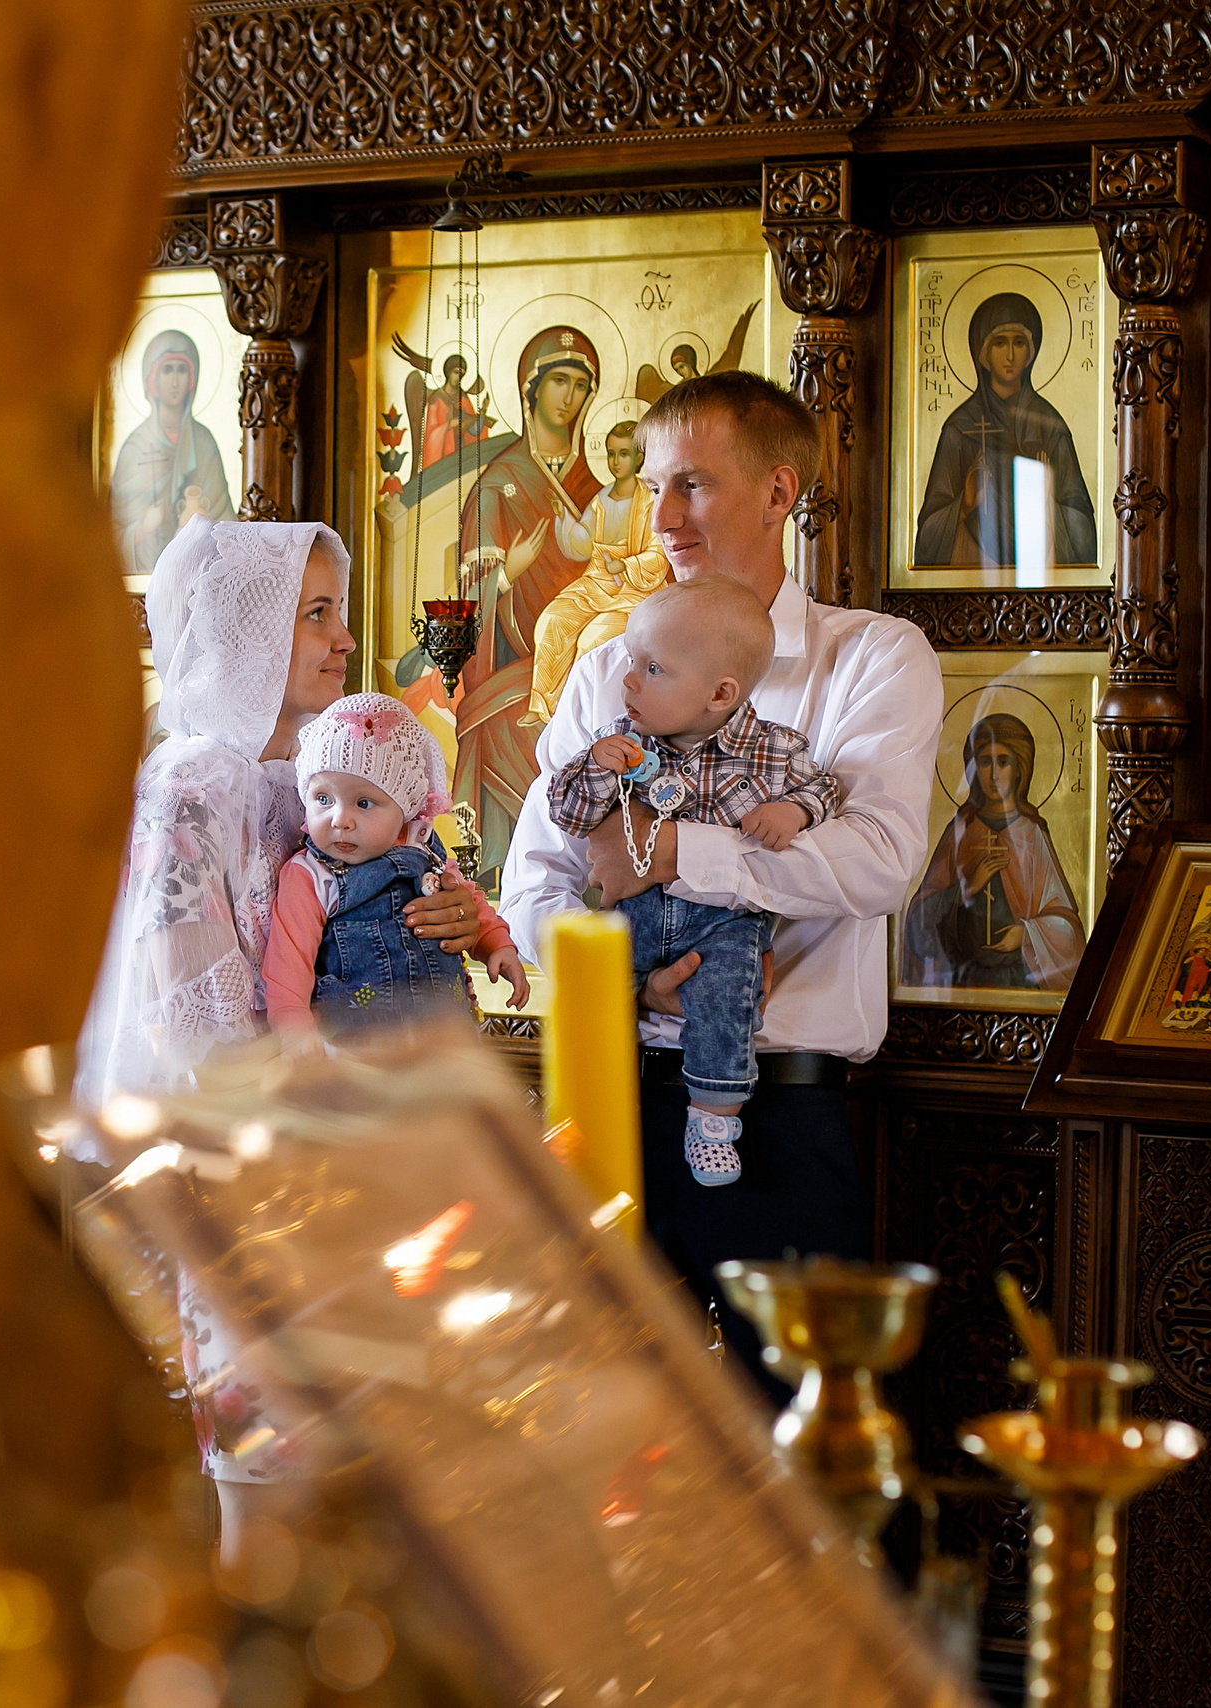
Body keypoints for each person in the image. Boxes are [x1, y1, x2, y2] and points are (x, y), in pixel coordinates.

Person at [500, 371, 943, 1336]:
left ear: (780, 493)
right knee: (597, 1440)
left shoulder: (872, 657)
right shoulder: (604, 670)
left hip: (784, 1119)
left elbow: (875, 860)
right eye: (652, 485)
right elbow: (535, 880)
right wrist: (630, 977)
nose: (659, 516)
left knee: (785, 1445)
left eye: (691, 485)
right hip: (606, 1103)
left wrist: (665, 855)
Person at [76, 520, 484, 1556]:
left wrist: (442, 914)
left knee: (359, 1510)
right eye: (313, 615)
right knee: (266, 1505)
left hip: (344, 1173)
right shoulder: (192, 785)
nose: (344, 640)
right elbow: (193, 1014)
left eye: (337, 612)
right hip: (255, 1191)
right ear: (237, 630)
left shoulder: (307, 783)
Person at [543, 580, 842, 1186]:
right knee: (594, 995)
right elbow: (568, 816)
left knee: (727, 1000)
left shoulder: (775, 751)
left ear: (720, 693)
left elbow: (824, 790)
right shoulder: (621, 743)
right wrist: (598, 768)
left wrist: (794, 813)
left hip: (722, 921)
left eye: (652, 669)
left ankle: (714, 1117)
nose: (628, 681)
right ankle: (579, 1116)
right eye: (631, 663)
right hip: (635, 912)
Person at [264, 693, 531, 1041]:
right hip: (358, 1052)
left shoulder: (424, 851)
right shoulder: (312, 874)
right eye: (323, 799)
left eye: (364, 803)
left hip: (444, 1040)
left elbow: (468, 900)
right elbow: (289, 961)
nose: (340, 820)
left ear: (404, 808)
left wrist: (498, 945)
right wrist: (293, 1029)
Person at [451, 325, 603, 878]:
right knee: (507, 718)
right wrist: (506, 576)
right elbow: (467, 606)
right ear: (530, 389)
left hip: (594, 660)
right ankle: (504, 878)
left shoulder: (604, 489)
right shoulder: (498, 486)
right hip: (517, 665)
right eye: (558, 380)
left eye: (581, 385)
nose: (568, 396)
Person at [898, 711, 1085, 993]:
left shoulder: (1031, 835)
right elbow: (917, 922)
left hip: (1021, 979)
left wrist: (1025, 935)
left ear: (1020, 768)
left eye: (1003, 762)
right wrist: (966, 888)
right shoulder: (961, 831)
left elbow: (1068, 930)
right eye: (985, 762)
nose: (994, 774)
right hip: (961, 982)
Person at [911, 293, 1099, 575]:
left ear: (1031, 352)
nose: (1010, 355)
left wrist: (1048, 501)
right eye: (1000, 343)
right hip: (971, 567)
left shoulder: (1050, 427)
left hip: (1043, 573)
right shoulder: (959, 428)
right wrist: (964, 504)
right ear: (982, 352)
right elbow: (926, 540)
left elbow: (1084, 536)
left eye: (1019, 343)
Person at [523, 420, 669, 727]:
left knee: (593, 641)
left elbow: (659, 554)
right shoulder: (602, 499)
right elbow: (582, 545)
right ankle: (545, 710)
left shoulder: (650, 501)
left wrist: (627, 565)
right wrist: (564, 518)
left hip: (635, 591)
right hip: (596, 583)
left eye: (624, 454)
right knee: (552, 622)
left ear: (639, 458)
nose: (617, 462)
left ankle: (578, 722)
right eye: (611, 454)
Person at [110, 330, 236, 575]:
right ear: (152, 379)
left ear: (192, 378)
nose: (175, 381)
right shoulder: (134, 448)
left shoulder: (204, 443)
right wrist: (142, 528)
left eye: (182, 369)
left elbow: (229, 524)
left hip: (197, 580)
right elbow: (105, 539)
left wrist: (202, 525)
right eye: (167, 370)